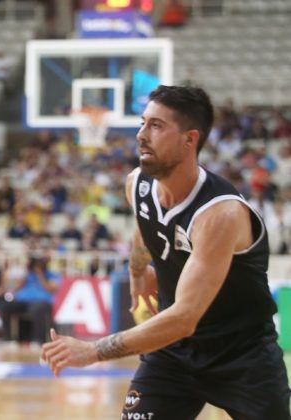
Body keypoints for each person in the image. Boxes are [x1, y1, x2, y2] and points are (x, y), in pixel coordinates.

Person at [41, 85, 290, 419]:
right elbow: (143, 225)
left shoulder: (220, 214)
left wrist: (93, 350)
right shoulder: (137, 184)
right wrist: (138, 270)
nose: (141, 135)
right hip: (172, 354)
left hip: (242, 356)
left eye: (156, 126)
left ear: (189, 139)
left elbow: (184, 319)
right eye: (143, 123)